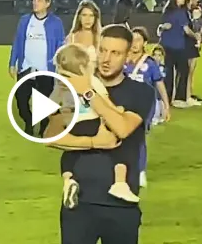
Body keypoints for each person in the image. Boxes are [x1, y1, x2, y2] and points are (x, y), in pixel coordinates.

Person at [46, 24, 156, 244]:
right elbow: (50, 135)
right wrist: (93, 141)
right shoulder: (70, 87)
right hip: (78, 204)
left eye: (115, 53)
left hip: (120, 205)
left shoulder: (140, 92)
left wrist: (88, 93)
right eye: (103, 50)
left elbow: (122, 128)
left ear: (127, 56)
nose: (106, 59)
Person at [51, 44, 140, 208]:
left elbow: (55, 107)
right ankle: (120, 183)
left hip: (73, 125)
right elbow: (104, 100)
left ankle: (68, 180)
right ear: (83, 67)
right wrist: (116, 111)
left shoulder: (60, 85)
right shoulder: (91, 82)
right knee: (120, 143)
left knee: (70, 153)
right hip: (93, 122)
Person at [8, 0, 65, 137]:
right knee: (21, 100)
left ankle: (43, 128)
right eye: (34, 0)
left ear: (47, 3)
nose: (35, 3)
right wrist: (12, 62)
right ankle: (29, 121)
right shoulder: (25, 20)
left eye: (39, 0)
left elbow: (61, 45)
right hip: (26, 68)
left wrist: (59, 66)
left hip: (46, 69)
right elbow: (17, 41)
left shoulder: (56, 23)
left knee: (45, 102)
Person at [123, 27, 170, 188]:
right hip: (123, 104)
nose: (135, 44)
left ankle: (140, 171)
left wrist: (166, 105)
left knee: (139, 137)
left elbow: (159, 83)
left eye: (138, 40)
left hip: (144, 105)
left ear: (145, 42)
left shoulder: (149, 63)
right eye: (133, 39)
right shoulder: (121, 60)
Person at [160, 0, 199, 109]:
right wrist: (195, 36)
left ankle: (166, 98)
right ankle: (179, 99)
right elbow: (186, 30)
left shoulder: (167, 11)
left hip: (166, 45)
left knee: (168, 73)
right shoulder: (180, 12)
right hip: (177, 45)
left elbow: (164, 26)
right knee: (183, 71)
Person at [183, 0, 202, 105]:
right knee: (187, 71)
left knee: (191, 71)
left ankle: (189, 94)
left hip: (192, 43)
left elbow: (199, 26)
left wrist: (199, 38)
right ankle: (186, 96)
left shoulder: (195, 9)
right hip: (186, 43)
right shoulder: (185, 11)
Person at [151, 45, 167, 124]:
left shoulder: (163, 68)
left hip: (159, 96)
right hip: (153, 96)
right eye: (155, 55)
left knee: (163, 115)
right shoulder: (149, 67)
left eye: (159, 55)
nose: (157, 57)